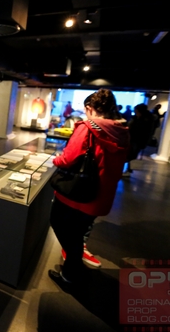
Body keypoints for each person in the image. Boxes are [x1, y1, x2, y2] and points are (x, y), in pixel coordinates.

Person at [48, 89, 130, 289]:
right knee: (79, 232)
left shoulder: (88, 127)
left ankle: (70, 272)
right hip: (101, 194)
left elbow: (68, 158)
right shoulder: (122, 131)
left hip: (77, 193)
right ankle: (73, 267)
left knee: (61, 226)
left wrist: (55, 160)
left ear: (89, 108)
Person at [123, 104, 155, 177]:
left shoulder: (143, 119)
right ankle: (128, 170)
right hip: (138, 140)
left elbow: (139, 131)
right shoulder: (146, 118)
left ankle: (129, 170)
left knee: (131, 155)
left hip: (137, 140)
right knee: (132, 155)